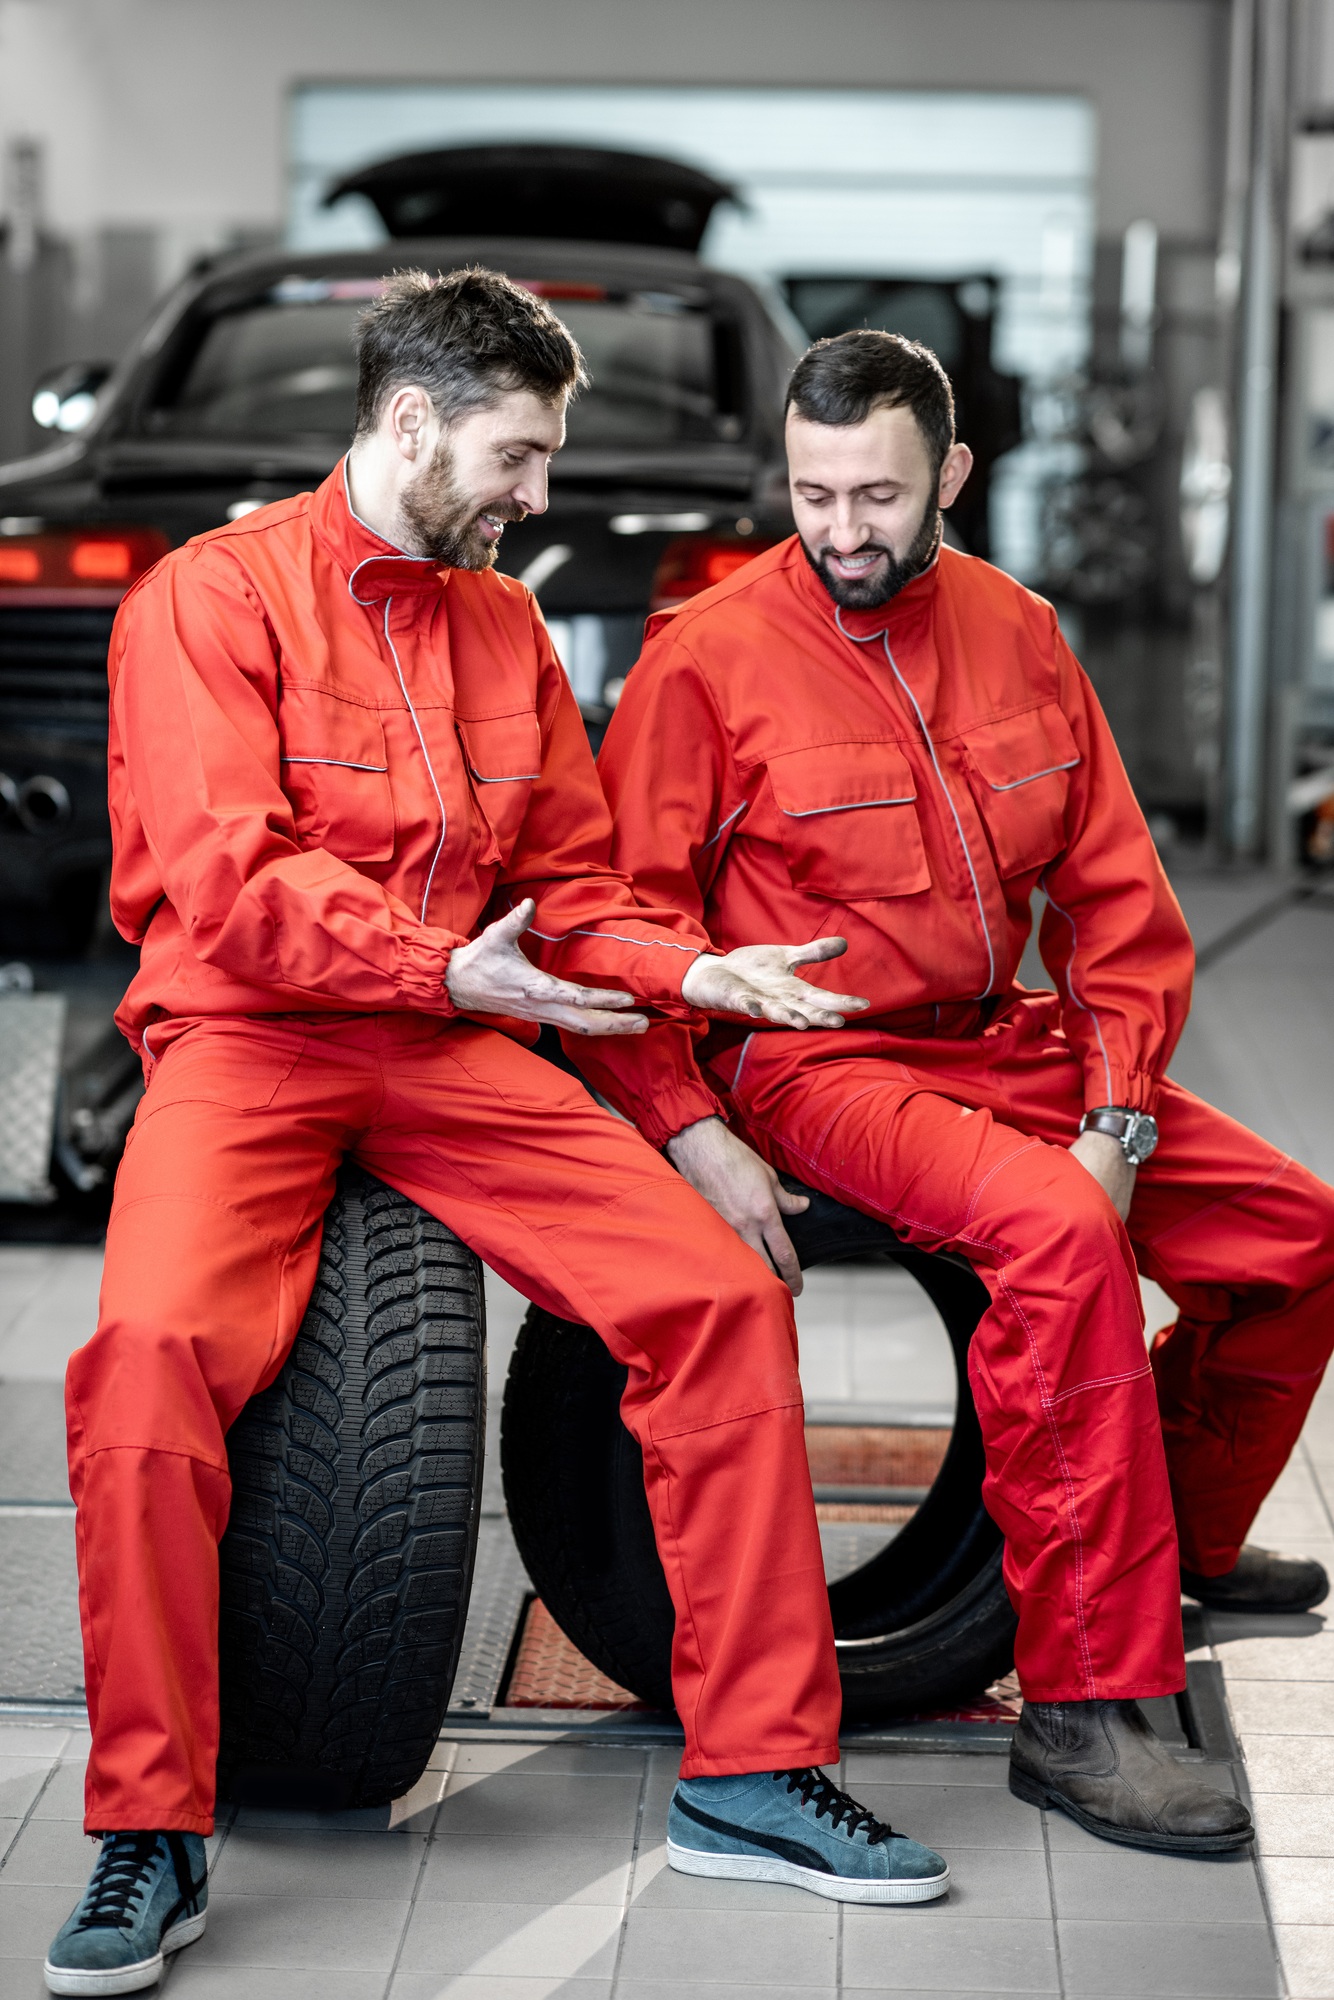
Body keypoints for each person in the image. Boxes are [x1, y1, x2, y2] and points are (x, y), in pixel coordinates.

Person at [46, 275, 950, 1998]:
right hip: (252, 1035)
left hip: (455, 1041)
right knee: (152, 1356)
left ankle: (753, 1771)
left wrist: (688, 977)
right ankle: (144, 1825)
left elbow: (572, 892)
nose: (537, 497)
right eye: (518, 458)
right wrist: (431, 957)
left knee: (719, 1301)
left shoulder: (502, 631)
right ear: (408, 424)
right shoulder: (209, 601)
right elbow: (226, 876)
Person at [587, 326, 1334, 1858]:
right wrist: (688, 1125)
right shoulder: (706, 660)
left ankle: (1176, 1535)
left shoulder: (1020, 630)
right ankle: (1083, 1713)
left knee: (1298, 1239)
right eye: (811, 493)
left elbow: (1120, 906)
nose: (842, 530)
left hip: (1017, 1034)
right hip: (821, 1057)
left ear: (952, 475)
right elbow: (625, 933)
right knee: (1060, 1247)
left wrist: (1118, 1114)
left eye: (876, 493)